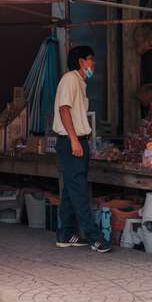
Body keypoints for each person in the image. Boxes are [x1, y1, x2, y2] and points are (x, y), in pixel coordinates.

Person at [52, 45, 111, 252]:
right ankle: (94, 237)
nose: (93, 64)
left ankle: (66, 233)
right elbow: (63, 109)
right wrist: (75, 140)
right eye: (90, 59)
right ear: (80, 61)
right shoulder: (69, 79)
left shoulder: (80, 82)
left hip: (77, 140)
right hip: (71, 141)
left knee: (71, 189)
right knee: (78, 191)